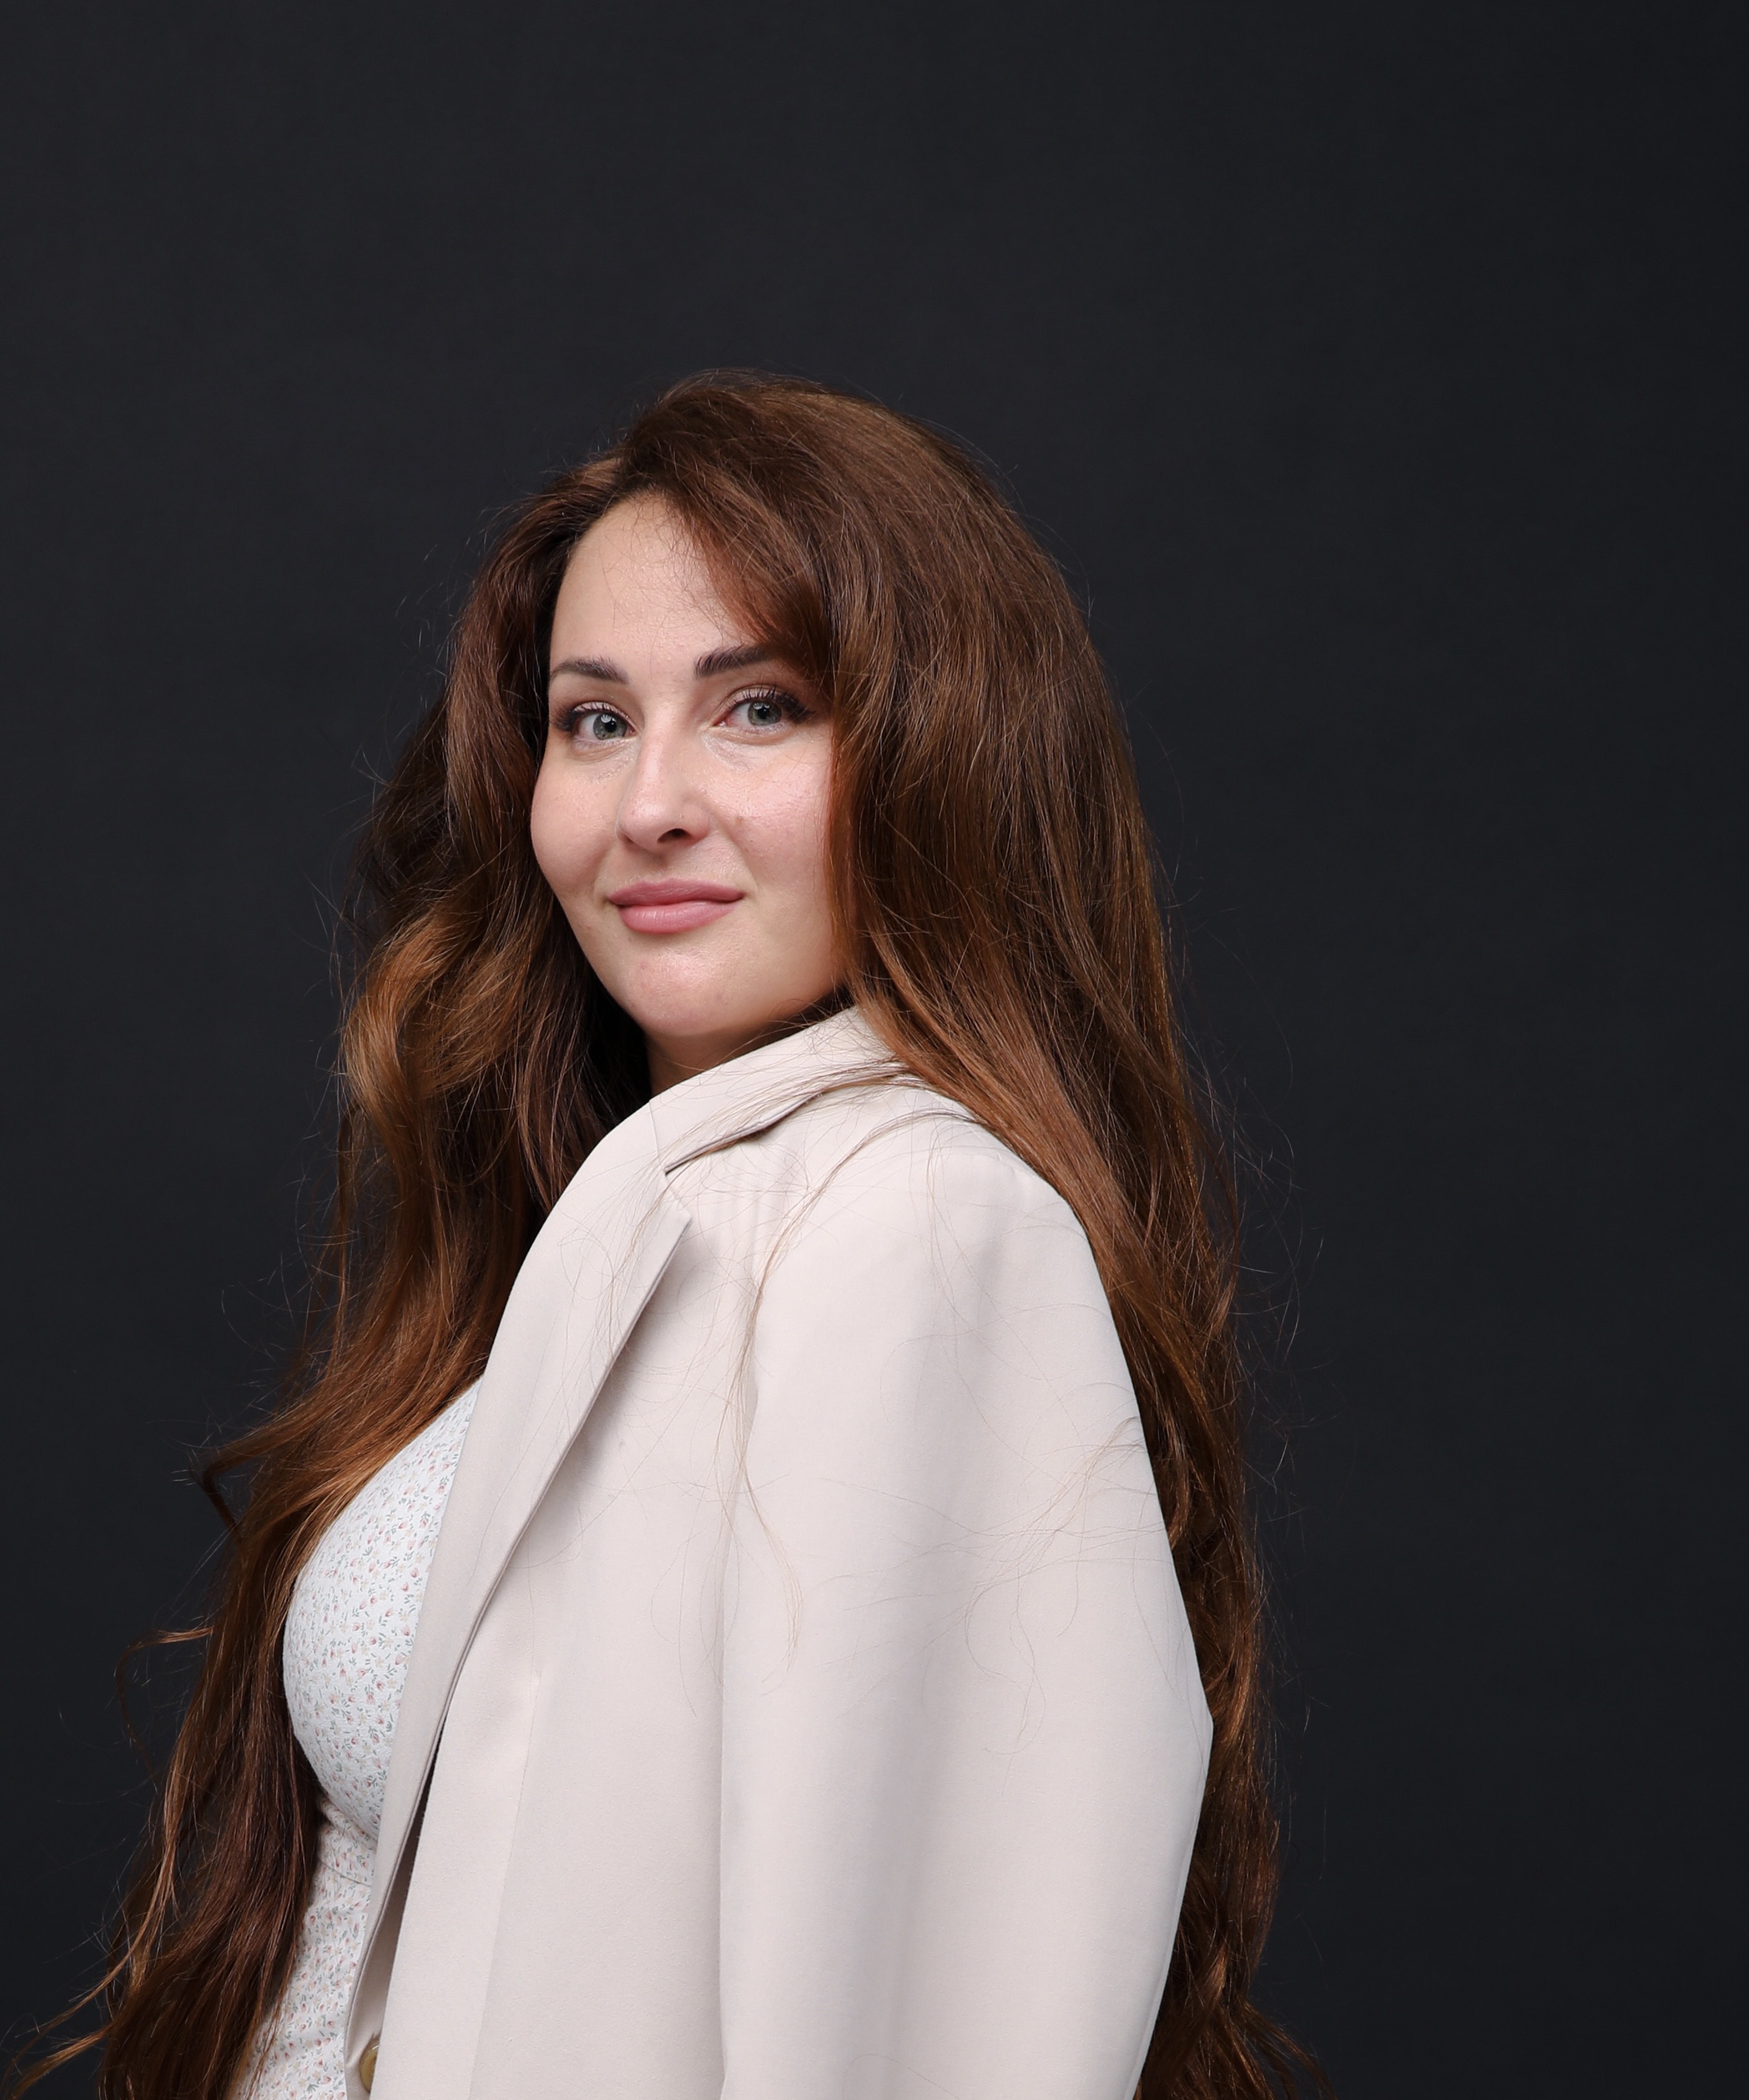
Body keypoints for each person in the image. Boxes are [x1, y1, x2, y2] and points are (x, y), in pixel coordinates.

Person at [24, 376, 1323, 2100]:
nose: (650, 805)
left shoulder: (919, 1230)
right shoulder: (621, 1228)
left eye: (762, 708)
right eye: (593, 720)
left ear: (945, 752)